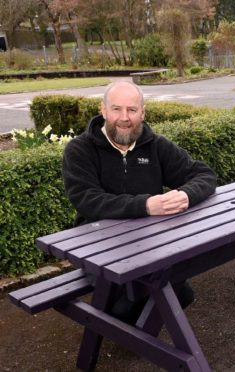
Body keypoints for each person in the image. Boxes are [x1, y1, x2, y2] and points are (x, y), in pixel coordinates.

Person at [62, 81, 217, 323]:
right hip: (98, 247)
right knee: (122, 310)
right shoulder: (80, 150)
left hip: (149, 242)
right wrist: (145, 205)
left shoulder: (155, 145)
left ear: (142, 113)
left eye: (132, 110)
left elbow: (204, 175)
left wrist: (185, 195)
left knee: (179, 291)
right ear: (103, 110)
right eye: (116, 109)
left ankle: (144, 328)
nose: (124, 118)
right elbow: (87, 200)